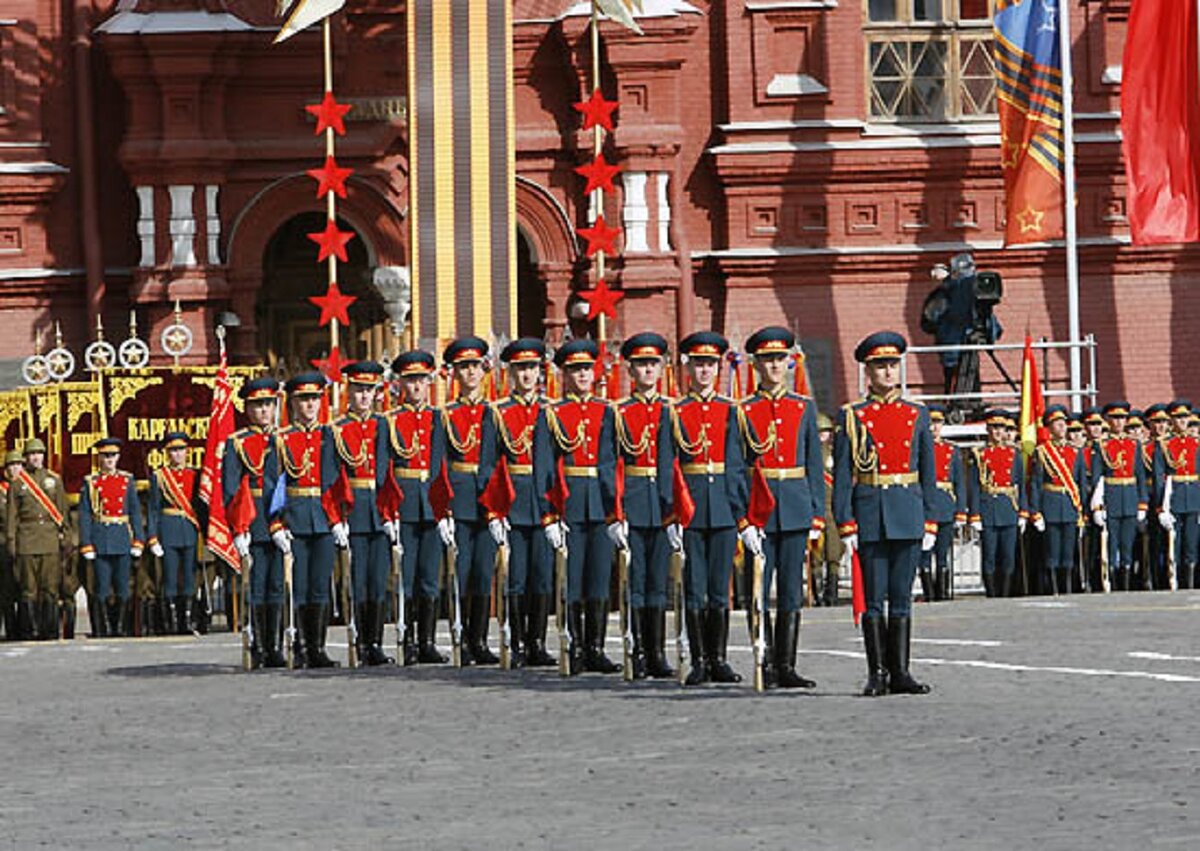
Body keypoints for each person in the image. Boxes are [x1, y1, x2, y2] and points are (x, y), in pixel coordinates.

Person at [833, 331, 935, 696]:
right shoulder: (852, 416)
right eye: (881, 366)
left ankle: (901, 671)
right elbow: (843, 475)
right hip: (872, 513)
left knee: (903, 597)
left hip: (907, 511)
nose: (888, 372)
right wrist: (845, 522)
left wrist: (930, 519)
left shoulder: (917, 414)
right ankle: (877, 672)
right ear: (868, 371)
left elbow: (928, 472)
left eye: (893, 365)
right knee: (874, 598)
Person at [736, 326, 823, 689]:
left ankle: (786, 663)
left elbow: (814, 464)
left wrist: (817, 514)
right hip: (760, 511)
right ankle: (764, 659)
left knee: (790, 589)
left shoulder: (802, 408)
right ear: (756, 365)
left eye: (780, 359)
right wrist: (744, 519)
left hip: (795, 505)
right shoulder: (743, 410)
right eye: (768, 360)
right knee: (757, 590)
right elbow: (738, 469)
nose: (775, 366)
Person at [535, 338, 619, 675]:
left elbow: (613, 463)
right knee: (571, 580)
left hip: (599, 506)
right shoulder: (553, 414)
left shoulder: (606, 411)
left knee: (598, 578)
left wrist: (616, 512)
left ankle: (595, 647)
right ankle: (573, 646)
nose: (582, 375)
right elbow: (544, 466)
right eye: (575, 370)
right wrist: (549, 516)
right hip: (568, 505)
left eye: (586, 368)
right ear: (565, 374)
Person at [668, 332, 747, 686]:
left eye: (710, 365)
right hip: (690, 508)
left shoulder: (731, 410)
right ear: (688, 368)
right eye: (699, 364)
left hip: (724, 509)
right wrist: (671, 515)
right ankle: (699, 659)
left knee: (720, 588)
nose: (704, 371)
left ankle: (719, 658)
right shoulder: (676, 411)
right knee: (694, 587)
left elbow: (737, 464)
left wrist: (741, 513)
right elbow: (666, 465)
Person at [611, 332, 675, 679]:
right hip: (634, 503)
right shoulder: (619, 412)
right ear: (630, 370)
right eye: (641, 365)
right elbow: (612, 465)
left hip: (663, 506)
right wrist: (615, 513)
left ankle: (657, 652)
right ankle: (636, 650)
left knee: (659, 583)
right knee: (636, 582)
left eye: (653, 363)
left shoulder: (672, 410)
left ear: (662, 368)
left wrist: (677, 511)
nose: (647, 370)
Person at [484, 339, 552, 668]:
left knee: (541, 576)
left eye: (532, 368)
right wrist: (494, 511)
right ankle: (517, 641)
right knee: (516, 576)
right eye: (521, 369)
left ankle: (537, 640)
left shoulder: (549, 411)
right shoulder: (498, 413)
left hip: (543, 504)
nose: (527, 375)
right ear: (511, 373)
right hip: (512, 502)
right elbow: (489, 465)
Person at [441, 337, 500, 666]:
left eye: (475, 366)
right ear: (456, 374)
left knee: (483, 572)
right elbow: (443, 463)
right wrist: (446, 507)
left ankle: (479, 639)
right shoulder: (447, 415)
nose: (471, 373)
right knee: (460, 572)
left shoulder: (495, 411)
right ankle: (461, 639)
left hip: (489, 498)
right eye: (464, 367)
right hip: (460, 500)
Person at [275, 373, 341, 667]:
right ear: (293, 402)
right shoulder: (282, 439)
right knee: (299, 586)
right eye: (304, 399)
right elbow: (273, 485)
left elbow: (337, 480)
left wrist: (339, 518)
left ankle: (319, 647)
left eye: (315, 398)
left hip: (324, 518)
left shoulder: (329, 435)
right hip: (296, 517)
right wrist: (277, 523)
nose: (311, 404)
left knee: (320, 584)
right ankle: (301, 646)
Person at [330, 361, 393, 666]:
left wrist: (391, 513)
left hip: (379, 511)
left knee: (378, 579)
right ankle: (360, 642)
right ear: (348, 392)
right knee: (358, 580)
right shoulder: (338, 430)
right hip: (353, 510)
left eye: (369, 390)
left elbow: (389, 473)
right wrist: (336, 518)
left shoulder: (384, 425)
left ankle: (376, 642)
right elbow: (333, 477)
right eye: (359, 390)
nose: (364, 396)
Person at [387, 351, 447, 665]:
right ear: (400, 384)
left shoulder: (440, 418)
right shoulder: (391, 421)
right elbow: (386, 470)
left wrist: (446, 509)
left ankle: (427, 640)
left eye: (421, 380)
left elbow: (445, 465)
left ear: (429, 383)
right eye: (410, 380)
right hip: (405, 503)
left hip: (433, 504)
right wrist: (389, 511)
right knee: (406, 577)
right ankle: (407, 639)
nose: (416, 387)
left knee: (429, 576)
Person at [223, 376, 284, 668]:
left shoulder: (283, 438)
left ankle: (276, 646)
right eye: (258, 406)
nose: (263, 411)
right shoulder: (237, 443)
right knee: (257, 586)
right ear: (248, 409)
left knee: (277, 586)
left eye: (268, 405)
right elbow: (232, 488)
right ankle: (259, 645)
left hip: (281, 518)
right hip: (253, 518)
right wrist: (238, 528)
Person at [78, 438, 144, 638]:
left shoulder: (127, 480)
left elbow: (134, 512)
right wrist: (87, 543)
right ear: (99, 457)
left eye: (113, 456)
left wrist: (138, 540)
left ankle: (121, 628)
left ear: (118, 457)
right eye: (105, 456)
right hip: (101, 538)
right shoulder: (91, 482)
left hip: (122, 537)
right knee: (102, 588)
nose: (109, 460)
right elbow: (85, 515)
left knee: (123, 587)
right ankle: (102, 628)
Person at [5, 440, 69, 641]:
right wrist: (11, 542)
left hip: (49, 539)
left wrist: (65, 538)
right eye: (31, 454)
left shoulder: (54, 480)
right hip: (26, 540)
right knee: (28, 589)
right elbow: (11, 517)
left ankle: (49, 630)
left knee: (50, 587)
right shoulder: (17, 485)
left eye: (39, 453)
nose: (35, 457)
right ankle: (29, 629)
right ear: (25, 458)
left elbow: (62, 512)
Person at [146, 432, 202, 635]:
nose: (177, 455)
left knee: (189, 577)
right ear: (167, 453)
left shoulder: (195, 474)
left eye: (180, 450)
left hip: (188, 529)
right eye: (173, 451)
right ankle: (171, 623)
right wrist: (152, 537)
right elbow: (153, 509)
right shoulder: (159, 476)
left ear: (187, 452)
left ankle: (188, 622)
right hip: (168, 530)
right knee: (169, 578)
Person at [1028, 405, 1088, 595]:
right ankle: (1053, 589)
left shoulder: (1075, 452)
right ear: (1049, 427)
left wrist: (1083, 511)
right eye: (1057, 423)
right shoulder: (1042, 452)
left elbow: (1080, 483)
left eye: (1063, 423)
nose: (1062, 426)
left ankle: (1068, 588)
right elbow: (1036, 484)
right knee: (1052, 553)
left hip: (1070, 507)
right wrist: (1035, 512)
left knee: (1068, 553)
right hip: (1051, 506)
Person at [1090, 401, 1147, 592]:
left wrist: (1142, 504)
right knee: (1112, 544)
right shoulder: (1102, 445)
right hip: (1112, 499)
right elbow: (1098, 478)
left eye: (1122, 418)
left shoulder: (1134, 444)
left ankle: (1127, 583)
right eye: (1115, 418)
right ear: (1108, 420)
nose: (1119, 422)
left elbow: (1139, 475)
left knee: (1127, 544)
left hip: (1130, 498)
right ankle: (1113, 582)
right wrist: (1098, 506)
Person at [967, 410, 1026, 598]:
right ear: (988, 429)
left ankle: (1006, 593)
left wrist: (1023, 512)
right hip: (988, 509)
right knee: (990, 556)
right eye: (994, 428)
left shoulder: (1013, 454)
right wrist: (974, 514)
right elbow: (974, 486)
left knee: (1008, 556)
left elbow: (1020, 485)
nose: (997, 432)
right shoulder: (980, 454)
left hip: (1009, 508)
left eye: (1001, 428)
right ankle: (991, 593)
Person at [1154, 400, 1198, 589]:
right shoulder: (1164, 444)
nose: (1182, 421)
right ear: (1171, 420)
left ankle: (1190, 581)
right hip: (1174, 498)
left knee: (1192, 542)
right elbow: (1158, 478)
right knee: (1174, 543)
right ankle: (1175, 580)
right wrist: (1160, 508)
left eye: (1185, 417)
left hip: (1195, 497)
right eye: (1178, 418)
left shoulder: (1196, 443)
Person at [923, 405, 966, 601]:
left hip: (946, 504)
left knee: (943, 554)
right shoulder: (920, 449)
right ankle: (928, 593)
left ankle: (943, 592)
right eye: (931, 423)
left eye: (938, 423)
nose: (934, 428)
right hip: (925, 506)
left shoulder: (952, 450)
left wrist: (960, 511)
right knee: (924, 555)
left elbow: (959, 482)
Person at [816, 415, 843, 606]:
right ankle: (816, 591)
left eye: (826, 432)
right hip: (816, 510)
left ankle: (832, 591)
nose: (823, 436)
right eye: (820, 432)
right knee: (815, 555)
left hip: (833, 510)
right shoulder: (808, 453)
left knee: (834, 553)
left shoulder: (835, 453)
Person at [0, 450, 22, 639]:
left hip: (25, 543)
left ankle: (23, 629)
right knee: (5, 591)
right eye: (11, 466)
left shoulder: (27, 490)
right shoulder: (2, 491)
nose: (14, 469)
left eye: (18, 465)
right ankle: (10, 630)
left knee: (25, 588)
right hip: (2, 546)